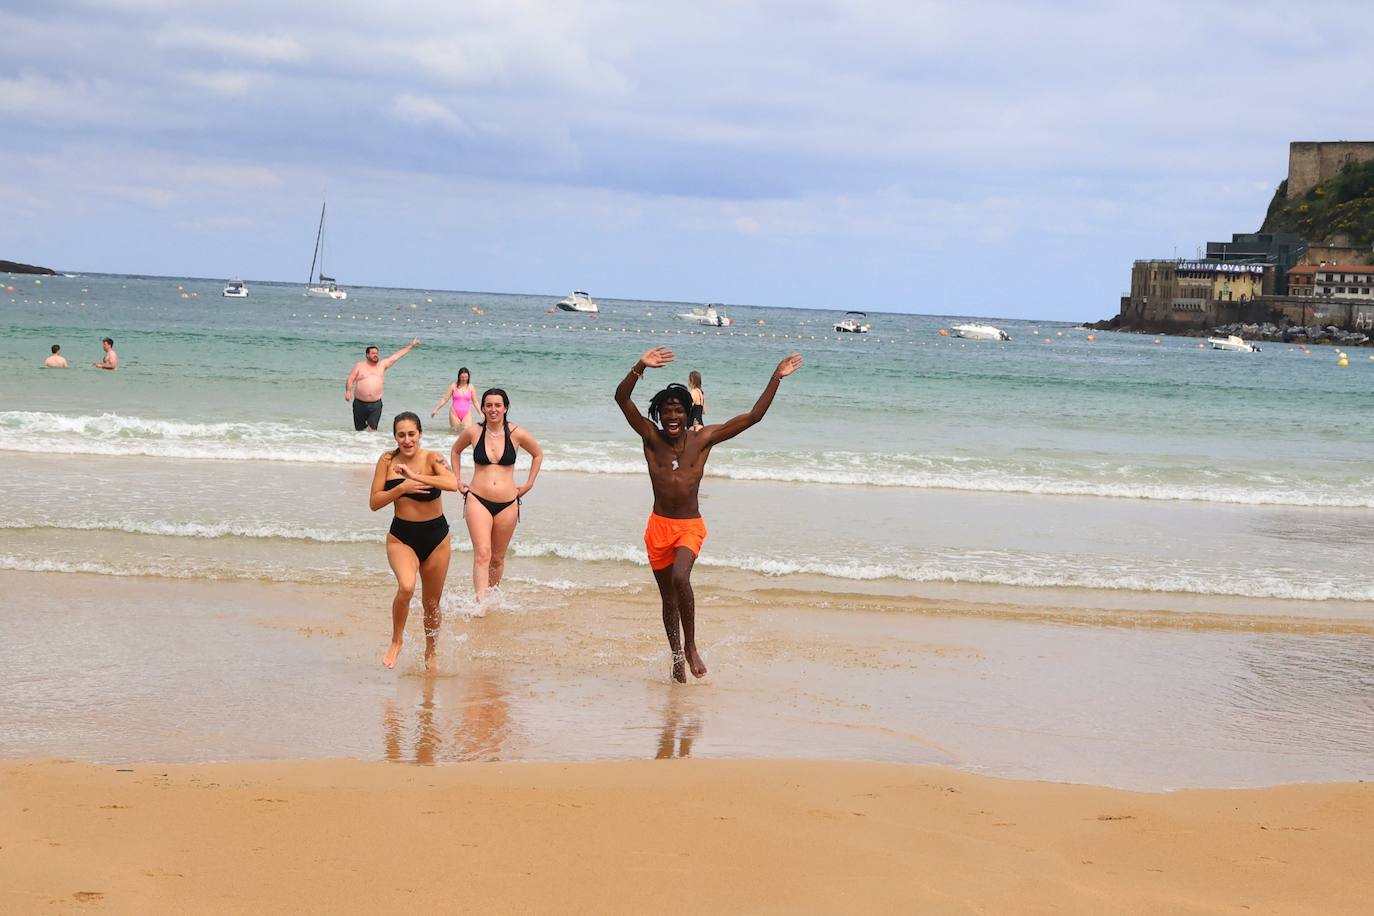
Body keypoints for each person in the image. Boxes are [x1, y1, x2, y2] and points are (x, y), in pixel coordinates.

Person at [615, 346, 802, 682]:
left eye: (679, 411)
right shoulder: (649, 437)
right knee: (667, 600)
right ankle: (675, 657)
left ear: (688, 414)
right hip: (658, 527)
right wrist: (639, 366)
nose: (673, 417)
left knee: (680, 578)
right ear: (659, 414)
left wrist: (776, 378)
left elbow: (752, 417)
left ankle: (691, 647)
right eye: (667, 411)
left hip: (689, 527)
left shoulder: (703, 440)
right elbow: (621, 399)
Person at [369, 411, 457, 671]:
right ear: (395, 436)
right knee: (406, 588)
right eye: (401, 435)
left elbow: (452, 483)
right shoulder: (386, 460)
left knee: (431, 604)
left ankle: (431, 652)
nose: (407, 440)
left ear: (420, 434)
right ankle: (397, 641)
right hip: (402, 538)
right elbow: (374, 502)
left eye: (411, 434)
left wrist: (415, 477)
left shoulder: (433, 457)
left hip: (437, 538)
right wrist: (400, 488)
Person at [449, 388, 543, 614]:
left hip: (508, 502)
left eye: (497, 405)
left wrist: (529, 484)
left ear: (505, 408)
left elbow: (538, 454)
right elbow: (455, 451)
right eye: (488, 405)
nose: (493, 409)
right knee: (482, 553)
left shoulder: (517, 433)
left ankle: (491, 596)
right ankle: (480, 605)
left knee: (497, 558)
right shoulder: (473, 432)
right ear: (481, 408)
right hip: (477, 499)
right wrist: (457, 480)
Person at [345, 339, 420, 431]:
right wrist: (348, 391)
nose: (376, 355)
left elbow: (397, 355)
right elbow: (350, 379)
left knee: (372, 429)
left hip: (375, 405)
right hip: (359, 404)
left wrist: (411, 345)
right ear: (367, 355)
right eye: (373, 353)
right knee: (359, 430)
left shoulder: (382, 365)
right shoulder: (359, 366)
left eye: (377, 353)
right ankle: (362, 445)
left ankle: (372, 443)